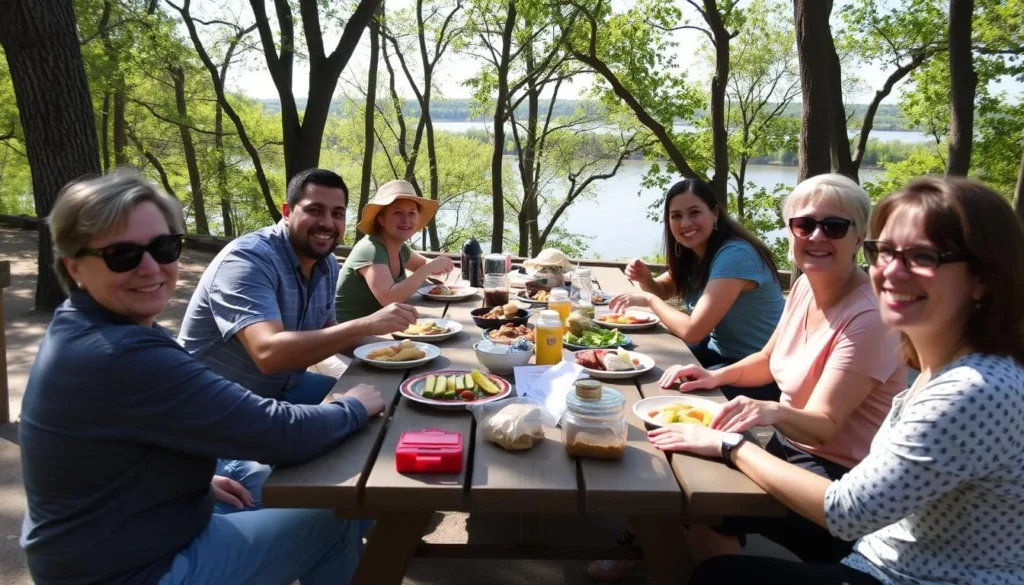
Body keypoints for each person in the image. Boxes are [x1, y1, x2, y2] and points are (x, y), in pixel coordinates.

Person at [20, 170, 386, 585]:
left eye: (164, 247)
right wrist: (352, 406)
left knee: (327, 495)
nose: (150, 268)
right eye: (121, 254)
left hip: (149, 524)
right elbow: (279, 432)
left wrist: (197, 482)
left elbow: (113, 454)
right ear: (75, 267)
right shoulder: (119, 353)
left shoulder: (92, 325)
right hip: (136, 570)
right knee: (335, 510)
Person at [653, 176, 1024, 585]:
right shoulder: (940, 366)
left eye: (923, 257)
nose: (893, 273)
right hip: (880, 548)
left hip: (902, 568)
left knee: (720, 573)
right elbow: (767, 358)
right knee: (693, 491)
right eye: (886, 252)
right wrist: (711, 378)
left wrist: (732, 445)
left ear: (983, 279)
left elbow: (849, 511)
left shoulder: (974, 389)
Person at [655, 173, 907, 568]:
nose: (817, 236)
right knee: (673, 470)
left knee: (697, 491)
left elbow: (824, 425)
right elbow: (768, 360)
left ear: (860, 238)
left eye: (835, 226)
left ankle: (703, 569)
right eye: (804, 224)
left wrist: (769, 411)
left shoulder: (871, 317)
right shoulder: (806, 285)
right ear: (791, 232)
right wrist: (715, 377)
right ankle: (675, 561)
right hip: (787, 448)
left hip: (838, 479)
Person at [179, 169, 417, 406]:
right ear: (287, 212)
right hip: (218, 402)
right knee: (358, 423)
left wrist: (397, 349)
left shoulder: (327, 264)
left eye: (337, 214)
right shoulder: (246, 261)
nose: (327, 223)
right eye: (314, 210)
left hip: (287, 386)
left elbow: (328, 329)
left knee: (389, 400)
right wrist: (365, 324)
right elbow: (268, 354)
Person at [609, 178, 785, 401]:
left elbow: (693, 330)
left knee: (670, 395)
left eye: (694, 213)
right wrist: (646, 280)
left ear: (715, 214)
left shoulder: (735, 255)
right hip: (720, 352)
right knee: (643, 363)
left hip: (760, 370)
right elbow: (663, 290)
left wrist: (649, 300)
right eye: (676, 216)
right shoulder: (694, 252)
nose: (684, 223)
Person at [335, 179, 454, 323]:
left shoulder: (399, 247)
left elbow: (422, 263)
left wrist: (441, 264)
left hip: (379, 328)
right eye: (397, 213)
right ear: (381, 219)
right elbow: (389, 298)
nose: (406, 219)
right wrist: (429, 268)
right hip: (348, 336)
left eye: (412, 213)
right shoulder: (370, 249)